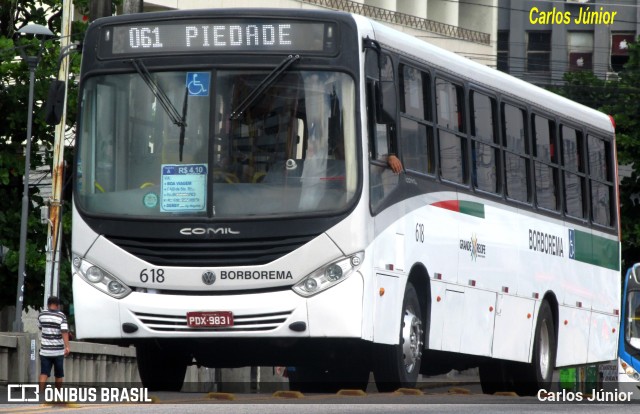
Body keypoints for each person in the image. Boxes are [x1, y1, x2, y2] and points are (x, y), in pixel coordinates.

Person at [38, 296, 70, 391]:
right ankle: (58, 394)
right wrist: (67, 346)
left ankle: (40, 393)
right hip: (58, 351)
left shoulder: (42, 315)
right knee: (59, 374)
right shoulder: (61, 316)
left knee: (44, 372)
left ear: (48, 304)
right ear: (57, 305)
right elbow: (64, 331)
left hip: (45, 351)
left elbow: (40, 327)